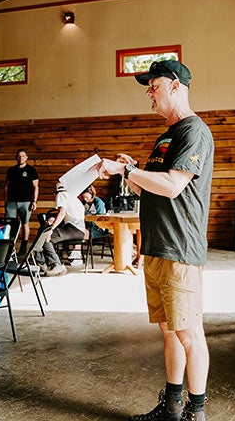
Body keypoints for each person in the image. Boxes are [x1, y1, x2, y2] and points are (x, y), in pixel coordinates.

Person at [95, 59, 214, 421]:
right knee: (169, 332)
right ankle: (173, 406)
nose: (149, 92)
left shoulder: (194, 131)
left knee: (190, 334)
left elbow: (175, 186)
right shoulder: (166, 136)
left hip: (180, 248)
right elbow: (148, 186)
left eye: (154, 85)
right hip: (157, 247)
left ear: (176, 86)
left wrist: (129, 170)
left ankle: (198, 411)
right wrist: (130, 170)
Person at [36, 182, 87, 276]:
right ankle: (41, 263)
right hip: (79, 229)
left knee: (46, 236)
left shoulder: (61, 195)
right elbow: (68, 214)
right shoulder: (73, 197)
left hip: (73, 228)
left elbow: (62, 212)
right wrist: (53, 219)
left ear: (54, 193)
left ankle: (55, 265)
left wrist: (51, 228)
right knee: (44, 234)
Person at [5, 149, 39, 251]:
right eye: (19, 156)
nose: (21, 158)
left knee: (25, 223)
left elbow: (36, 186)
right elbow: (6, 186)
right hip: (11, 202)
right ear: (16, 157)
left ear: (26, 157)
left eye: (23, 156)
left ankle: (23, 247)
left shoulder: (31, 170)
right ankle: (10, 247)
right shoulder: (11, 170)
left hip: (26, 201)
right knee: (10, 224)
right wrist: (6, 200)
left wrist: (34, 201)